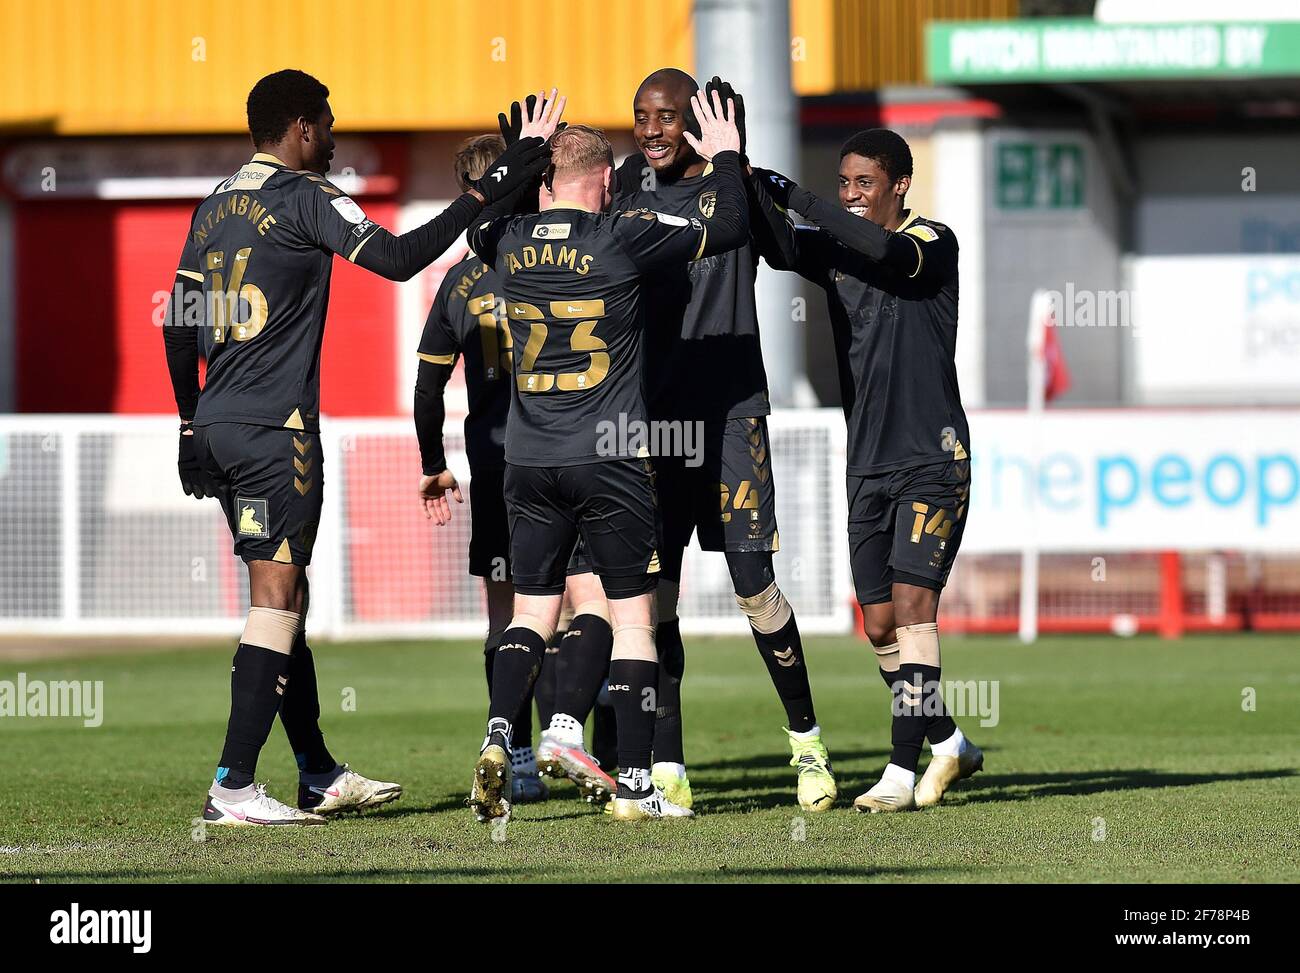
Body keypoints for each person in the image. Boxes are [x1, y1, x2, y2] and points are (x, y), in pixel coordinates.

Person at [161, 69, 549, 826]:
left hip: (219, 424)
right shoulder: (307, 198)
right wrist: (485, 193)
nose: (335, 140)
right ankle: (233, 785)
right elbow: (401, 260)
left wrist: (186, 422)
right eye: (329, 124)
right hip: (278, 432)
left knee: (287, 596)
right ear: (302, 127)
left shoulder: (212, 206)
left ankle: (316, 772)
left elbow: (178, 322)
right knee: (276, 600)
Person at [465, 89, 749, 823]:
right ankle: (634, 780)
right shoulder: (621, 233)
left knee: (530, 612)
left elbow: (480, 219)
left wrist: (524, 156)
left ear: (543, 180)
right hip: (610, 456)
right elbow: (732, 224)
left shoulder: (508, 238)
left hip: (526, 458)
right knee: (633, 619)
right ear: (608, 181)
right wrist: (725, 157)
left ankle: (502, 735)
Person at [607, 70, 836, 813]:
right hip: (654, 418)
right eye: (641, 116)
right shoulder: (621, 188)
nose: (650, 130)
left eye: (666, 117)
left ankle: (806, 742)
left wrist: (742, 159)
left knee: (754, 586)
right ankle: (669, 765)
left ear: (697, 124)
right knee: (656, 598)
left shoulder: (730, 186)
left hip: (733, 412)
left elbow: (773, 247)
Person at [752, 128, 983, 812]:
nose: (852, 194)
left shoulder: (932, 243)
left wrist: (798, 195)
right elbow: (778, 245)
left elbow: (884, 248)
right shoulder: (837, 251)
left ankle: (900, 771)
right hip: (868, 466)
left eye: (863, 184)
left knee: (915, 612)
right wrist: (739, 174)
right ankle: (949, 740)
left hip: (933, 462)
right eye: (844, 182)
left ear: (900, 185)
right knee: (880, 624)